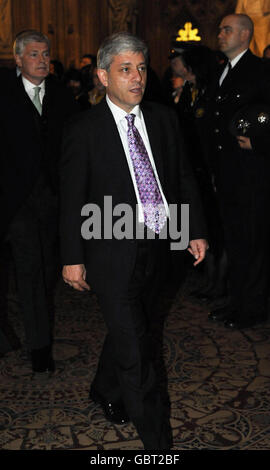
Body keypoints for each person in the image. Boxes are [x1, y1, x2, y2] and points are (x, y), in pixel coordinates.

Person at [59, 32, 208, 450]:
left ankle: (104, 388)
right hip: (110, 249)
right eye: (126, 69)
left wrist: (194, 229)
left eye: (141, 68)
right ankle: (158, 446)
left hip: (161, 245)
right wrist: (72, 257)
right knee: (138, 353)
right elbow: (71, 200)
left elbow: (180, 178)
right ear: (103, 76)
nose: (137, 77)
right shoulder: (83, 129)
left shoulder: (163, 119)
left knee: (137, 328)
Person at [0, 30, 77, 376]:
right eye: (34, 54)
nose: (43, 60)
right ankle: (39, 349)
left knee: (44, 272)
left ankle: (38, 339)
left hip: (52, 200)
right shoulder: (2, 92)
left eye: (46, 54)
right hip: (14, 201)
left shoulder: (62, 95)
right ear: (17, 59)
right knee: (28, 272)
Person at [207, 14, 270, 328]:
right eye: (220, 29)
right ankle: (237, 302)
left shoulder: (261, 71)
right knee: (233, 241)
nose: (220, 34)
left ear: (245, 34)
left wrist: (259, 145)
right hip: (227, 172)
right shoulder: (221, 72)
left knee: (252, 242)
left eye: (227, 29)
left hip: (253, 173)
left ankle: (253, 308)